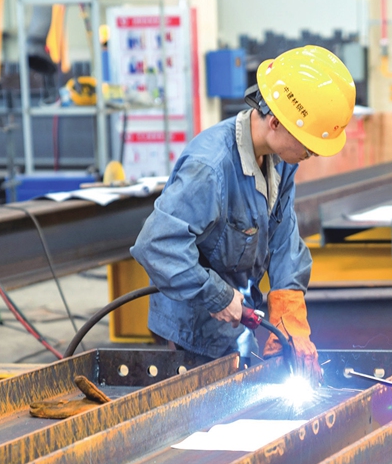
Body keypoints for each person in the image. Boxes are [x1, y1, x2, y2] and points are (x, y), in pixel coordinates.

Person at [130, 45, 356, 380]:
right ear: (276, 122)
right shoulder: (210, 168)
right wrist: (218, 297)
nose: (312, 153)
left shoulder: (281, 160)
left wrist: (288, 314)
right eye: (308, 143)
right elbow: (156, 245)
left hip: (239, 316)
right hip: (192, 332)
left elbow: (283, 237)